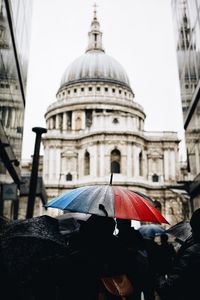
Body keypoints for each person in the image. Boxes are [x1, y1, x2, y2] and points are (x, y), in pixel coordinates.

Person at [155, 208, 200, 300]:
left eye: (193, 228)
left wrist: (158, 279)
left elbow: (170, 286)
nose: (191, 232)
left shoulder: (192, 253)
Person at [116, 219, 150, 300]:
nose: (117, 225)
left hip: (130, 272)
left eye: (118, 222)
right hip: (134, 273)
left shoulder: (127, 235)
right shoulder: (135, 234)